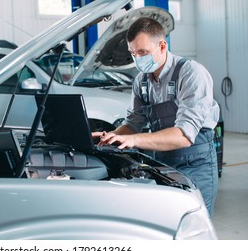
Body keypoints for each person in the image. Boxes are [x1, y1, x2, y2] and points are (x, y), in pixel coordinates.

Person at [93, 17, 219, 218]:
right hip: (161, 161)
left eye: (143, 52)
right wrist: (111, 137)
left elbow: (184, 136)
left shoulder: (191, 73)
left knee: (193, 222)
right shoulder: (141, 81)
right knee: (165, 222)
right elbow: (133, 124)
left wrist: (133, 140)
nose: (137, 59)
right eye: (133, 54)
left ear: (162, 45)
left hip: (196, 162)